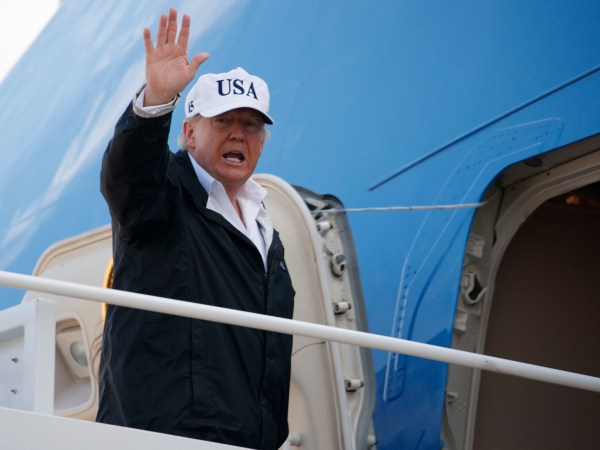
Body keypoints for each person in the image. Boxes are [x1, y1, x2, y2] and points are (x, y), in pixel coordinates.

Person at [96, 8, 295, 450]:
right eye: (222, 121)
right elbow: (128, 174)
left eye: (251, 125)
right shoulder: (162, 197)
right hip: (166, 436)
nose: (238, 135)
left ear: (262, 141)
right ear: (189, 133)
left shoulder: (266, 232)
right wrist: (155, 103)